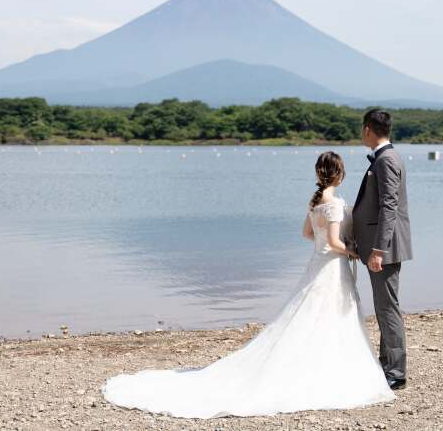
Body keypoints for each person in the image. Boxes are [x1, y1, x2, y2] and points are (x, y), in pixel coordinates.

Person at [102, 151, 395, 418]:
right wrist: (352, 250)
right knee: (332, 314)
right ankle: (330, 368)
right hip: (332, 266)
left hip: (317, 263)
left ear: (319, 173)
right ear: (339, 174)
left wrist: (330, 244)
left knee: (308, 314)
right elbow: (333, 242)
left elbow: (308, 234)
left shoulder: (315, 201)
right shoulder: (335, 204)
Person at [352, 109, 413, 390]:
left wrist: (378, 249)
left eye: (362, 129)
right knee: (384, 306)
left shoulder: (386, 159)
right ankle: (387, 364)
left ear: (368, 129)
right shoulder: (385, 157)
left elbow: (389, 205)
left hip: (383, 249)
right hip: (380, 247)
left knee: (388, 308)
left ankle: (396, 372)